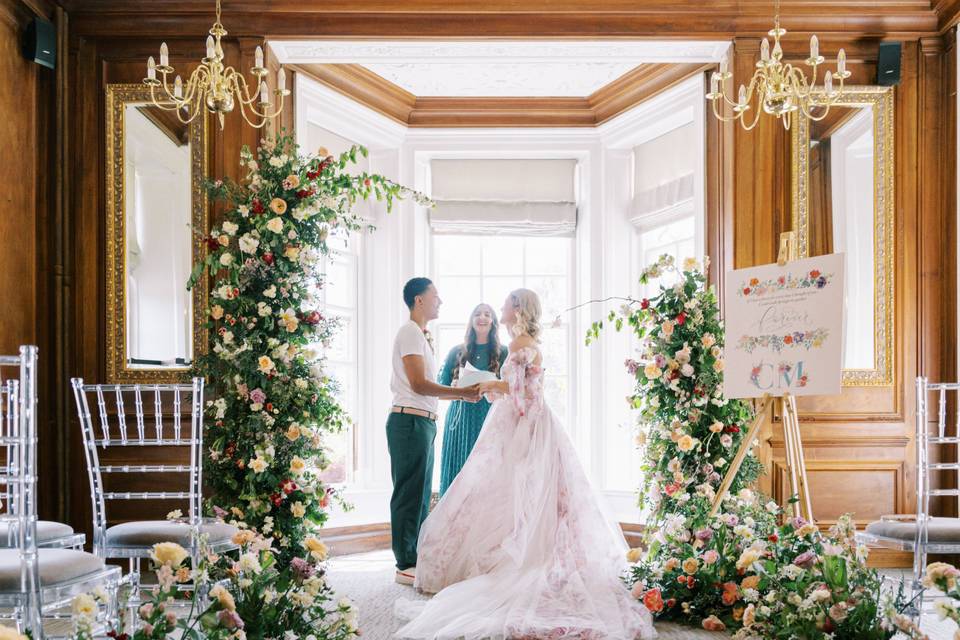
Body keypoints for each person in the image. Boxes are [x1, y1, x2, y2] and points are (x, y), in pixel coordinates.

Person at [395, 289, 655, 639]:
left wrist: (489, 384)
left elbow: (524, 394)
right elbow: (521, 390)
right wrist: (493, 387)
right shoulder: (521, 341)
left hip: (523, 428)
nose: (499, 307)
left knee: (513, 492)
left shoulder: (519, 344)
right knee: (508, 495)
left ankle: (518, 559)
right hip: (524, 423)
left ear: (516, 308)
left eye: (505, 303)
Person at [387, 277, 481, 587]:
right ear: (419, 300)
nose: (440, 301)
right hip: (409, 422)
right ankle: (404, 562)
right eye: (435, 296)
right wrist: (462, 393)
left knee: (422, 493)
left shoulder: (421, 335)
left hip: (423, 421)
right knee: (408, 493)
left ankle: (414, 555)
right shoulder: (410, 333)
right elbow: (418, 384)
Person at [436, 303, 508, 496]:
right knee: (459, 467)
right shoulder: (456, 352)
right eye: (477, 313)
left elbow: (511, 388)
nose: (482, 317)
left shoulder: (504, 352)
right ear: (471, 320)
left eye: (487, 314)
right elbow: (439, 389)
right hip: (461, 419)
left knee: (488, 471)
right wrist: (455, 388)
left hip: (490, 417)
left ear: (493, 322)